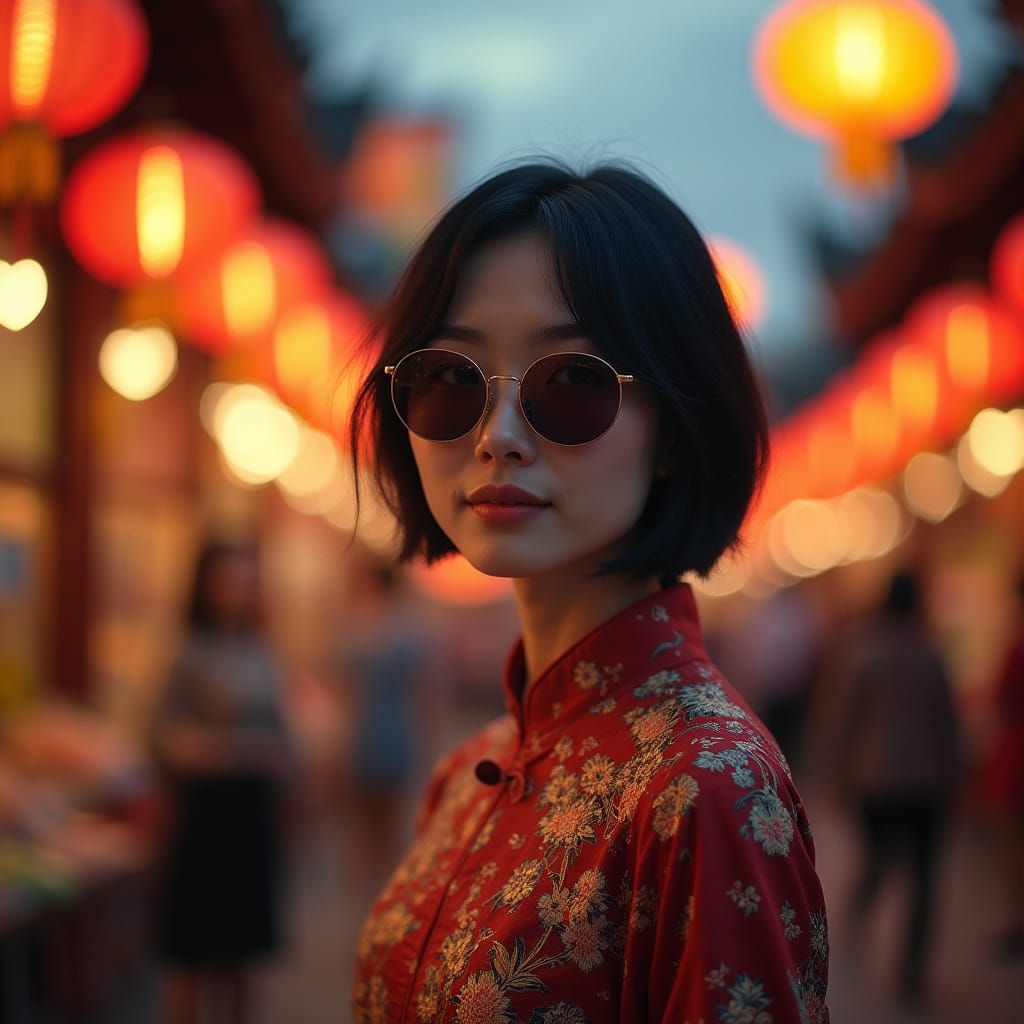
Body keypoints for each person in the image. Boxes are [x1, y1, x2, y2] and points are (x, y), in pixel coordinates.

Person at [347, 162, 830, 1022]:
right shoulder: (465, 772)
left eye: (570, 382)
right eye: (454, 377)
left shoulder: (707, 791)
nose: (498, 438)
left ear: (676, 429)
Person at [150, 541, 293, 1024]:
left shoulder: (261, 649)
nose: (238, 591)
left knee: (244, 958)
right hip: (207, 817)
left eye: (246, 580)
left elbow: (282, 734)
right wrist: (245, 751)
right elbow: (168, 741)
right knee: (195, 958)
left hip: (253, 817)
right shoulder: (190, 652)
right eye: (228, 580)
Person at [832, 570, 959, 1000]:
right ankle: (911, 969)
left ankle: (851, 929)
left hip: (874, 780)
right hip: (926, 783)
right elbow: (947, 723)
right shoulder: (930, 654)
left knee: (877, 861)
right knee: (924, 878)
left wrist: (836, 774)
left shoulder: (862, 653)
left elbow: (842, 721)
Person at [974, 571, 1024, 959]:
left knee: (1011, 846)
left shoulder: (1017, 646)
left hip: (1015, 757)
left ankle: (1016, 921)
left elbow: (1001, 697)